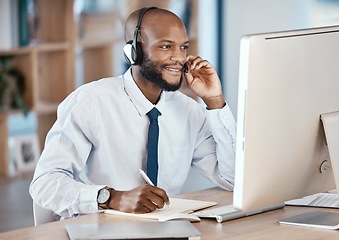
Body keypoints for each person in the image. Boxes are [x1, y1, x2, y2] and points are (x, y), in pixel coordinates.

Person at [29, 7, 236, 219]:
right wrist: (113, 198)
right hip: (98, 227)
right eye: (166, 46)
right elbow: (44, 183)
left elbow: (233, 179)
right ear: (133, 52)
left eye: (183, 47)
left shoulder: (189, 111)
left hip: (163, 228)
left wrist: (215, 101)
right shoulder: (91, 102)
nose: (179, 58)